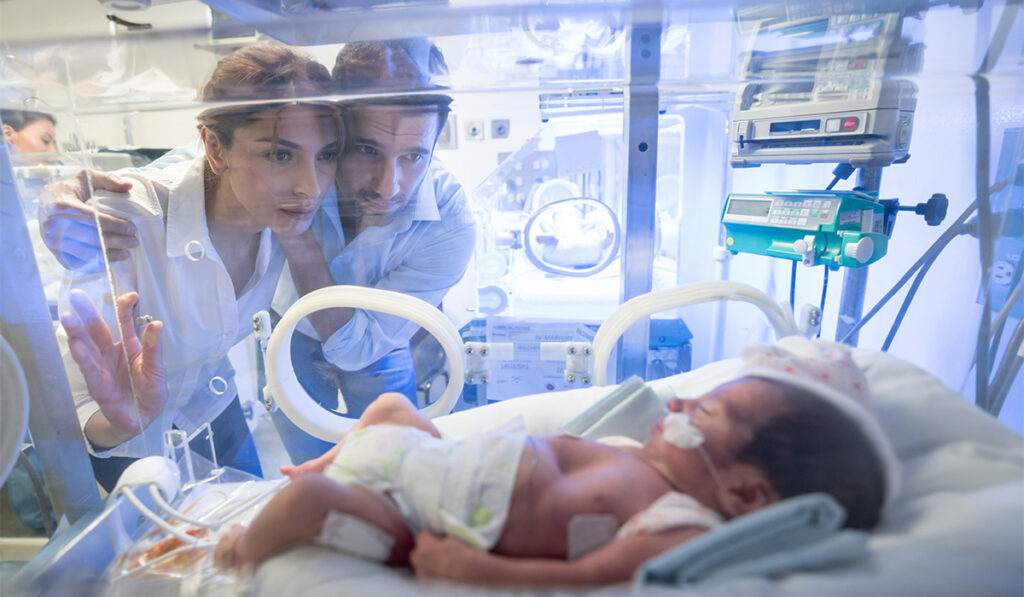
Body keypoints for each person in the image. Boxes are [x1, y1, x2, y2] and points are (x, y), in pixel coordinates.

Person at [37, 38, 476, 463]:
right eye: (363, 149)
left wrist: (294, 231)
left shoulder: (448, 223)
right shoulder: (159, 216)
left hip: (364, 344)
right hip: (276, 335)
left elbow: (355, 348)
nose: (387, 186)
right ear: (342, 126)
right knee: (307, 469)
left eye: (415, 156)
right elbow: (207, 158)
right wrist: (56, 195)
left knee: (397, 462)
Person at [213, 343, 890, 586]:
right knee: (390, 402)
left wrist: (480, 569)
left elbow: (592, 572)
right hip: (426, 457)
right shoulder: (637, 452)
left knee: (307, 508)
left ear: (746, 492)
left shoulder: (675, 520)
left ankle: (243, 549)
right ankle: (336, 459)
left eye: (703, 414)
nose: (679, 399)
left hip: (412, 515)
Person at [57, 42, 341, 490]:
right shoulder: (127, 222)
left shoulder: (283, 220)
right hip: (123, 440)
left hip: (211, 407)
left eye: (325, 155)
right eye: (280, 155)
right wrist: (124, 423)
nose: (310, 187)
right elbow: (67, 398)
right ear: (215, 145)